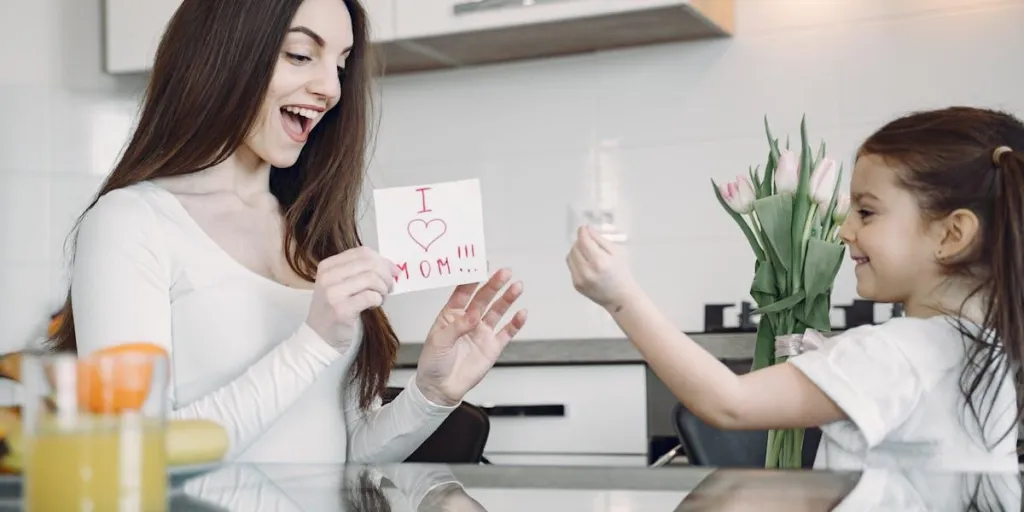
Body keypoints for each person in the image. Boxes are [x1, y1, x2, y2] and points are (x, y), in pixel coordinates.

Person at [51, 0, 528, 464]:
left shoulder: (310, 228)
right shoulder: (131, 222)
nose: (331, 89)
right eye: (301, 55)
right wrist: (313, 343)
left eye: (340, 65)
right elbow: (136, 454)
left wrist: (431, 392)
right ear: (221, 54)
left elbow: (342, 453)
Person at [568, 106, 1024, 471]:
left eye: (866, 212)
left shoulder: (895, 352)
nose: (844, 230)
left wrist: (620, 298)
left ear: (951, 234)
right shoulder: (988, 347)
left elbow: (729, 404)